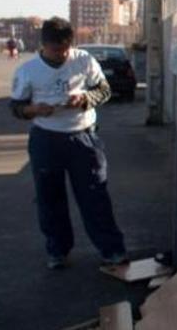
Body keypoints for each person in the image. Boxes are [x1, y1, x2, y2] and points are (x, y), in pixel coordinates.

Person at [10, 18, 127, 269]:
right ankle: (57, 250)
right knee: (49, 199)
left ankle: (112, 250)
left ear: (70, 44)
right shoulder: (28, 70)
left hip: (83, 139)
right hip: (46, 139)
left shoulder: (83, 60)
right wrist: (33, 109)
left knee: (95, 196)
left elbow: (104, 90)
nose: (61, 55)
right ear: (44, 45)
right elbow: (16, 107)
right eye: (55, 51)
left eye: (65, 50)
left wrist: (85, 98)